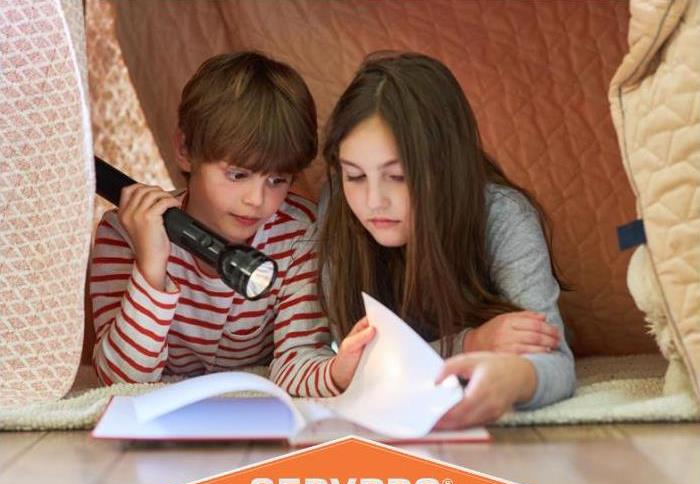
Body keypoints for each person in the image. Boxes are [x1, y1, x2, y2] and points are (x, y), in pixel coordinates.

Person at [317, 51, 576, 426]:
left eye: (399, 176)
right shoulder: (337, 209)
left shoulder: (503, 217)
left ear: (445, 168)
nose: (374, 201)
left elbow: (556, 362)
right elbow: (356, 359)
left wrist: (512, 380)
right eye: (354, 176)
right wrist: (473, 343)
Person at [89, 51, 340, 395]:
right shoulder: (124, 233)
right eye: (238, 174)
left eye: (277, 180)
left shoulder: (299, 235)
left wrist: (346, 367)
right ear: (185, 149)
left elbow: (299, 361)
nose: (257, 200)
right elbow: (119, 381)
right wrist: (151, 268)